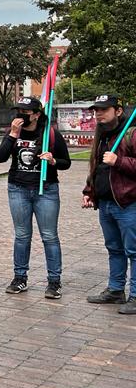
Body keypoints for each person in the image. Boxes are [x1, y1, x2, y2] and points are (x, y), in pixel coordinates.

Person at [0, 96, 71, 299]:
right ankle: (20, 277)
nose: (20, 116)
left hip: (45, 190)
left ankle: (54, 281)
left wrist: (53, 160)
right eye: (17, 111)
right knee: (22, 236)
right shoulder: (13, 132)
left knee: (49, 236)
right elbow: (0, 157)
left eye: (25, 112)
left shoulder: (50, 134)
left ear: (37, 115)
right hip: (18, 189)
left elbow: (66, 162)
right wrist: (12, 134)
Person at [82, 95, 136, 314]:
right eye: (96, 110)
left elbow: (118, 165)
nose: (99, 114)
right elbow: (96, 166)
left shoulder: (131, 134)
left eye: (104, 110)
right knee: (114, 249)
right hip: (105, 203)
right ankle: (115, 290)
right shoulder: (101, 134)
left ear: (119, 111)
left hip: (128, 203)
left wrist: (119, 161)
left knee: (134, 251)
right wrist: (89, 191)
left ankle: (135, 296)